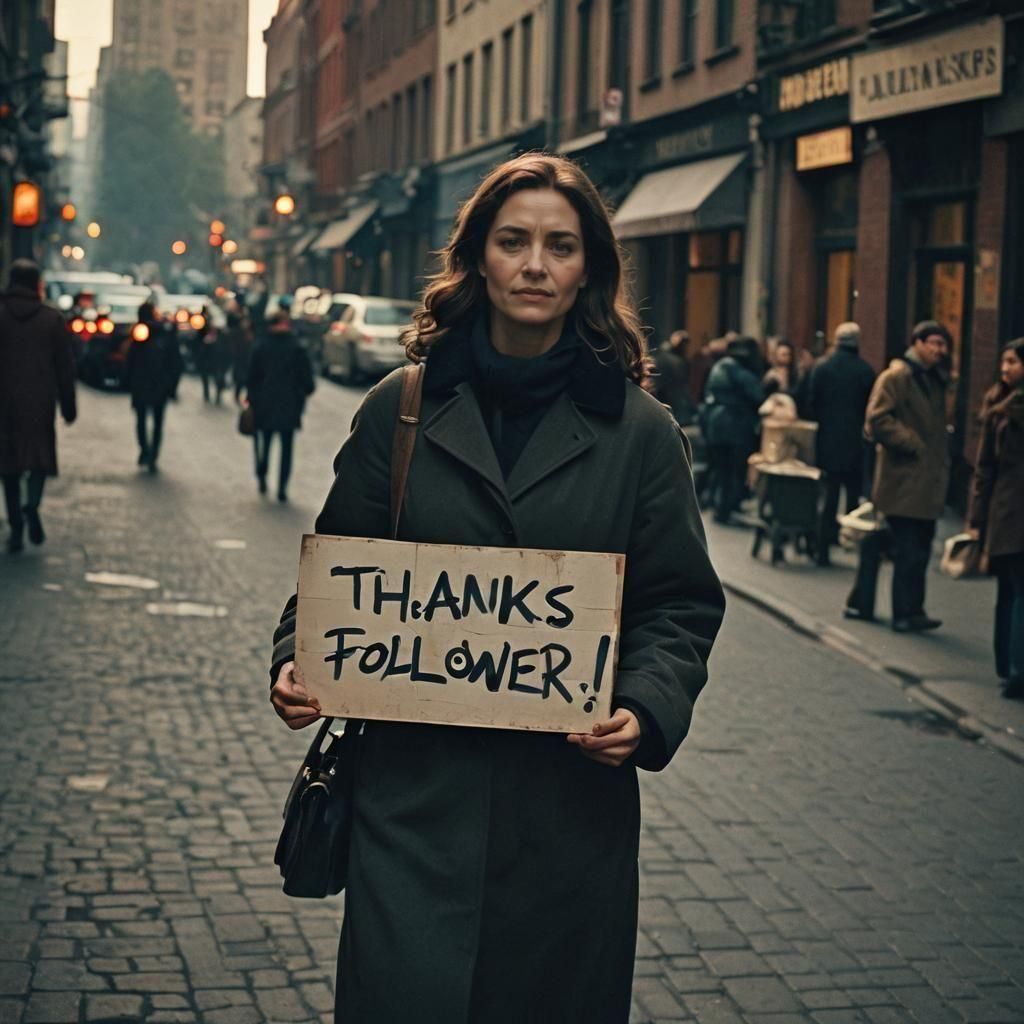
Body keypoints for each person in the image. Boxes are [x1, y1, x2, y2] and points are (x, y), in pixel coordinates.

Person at [267, 154, 725, 1024]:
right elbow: (333, 577)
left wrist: (647, 703)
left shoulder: (642, 435)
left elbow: (679, 602)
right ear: (479, 257)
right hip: (412, 813)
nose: (536, 264)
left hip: (566, 822)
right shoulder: (398, 410)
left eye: (560, 244)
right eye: (514, 241)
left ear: (589, 265)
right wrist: (298, 662)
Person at [846, 320, 950, 631]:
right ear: (917, 343)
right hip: (902, 480)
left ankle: (873, 604)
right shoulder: (898, 376)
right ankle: (906, 613)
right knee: (908, 550)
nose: (939, 350)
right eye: (933, 343)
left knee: (910, 546)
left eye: (943, 345)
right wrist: (912, 443)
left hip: (925, 481)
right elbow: (876, 418)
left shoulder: (933, 379)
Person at [0, 259, 77, 553]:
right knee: (38, 460)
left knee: (9, 467)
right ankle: (31, 504)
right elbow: (65, 367)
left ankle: (16, 524)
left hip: (4, 403)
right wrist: (68, 404)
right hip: (39, 401)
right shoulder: (51, 320)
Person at [968, 338, 1024, 698]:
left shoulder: (1000, 409)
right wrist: (977, 516)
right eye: (1003, 362)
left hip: (1007, 511)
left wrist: (978, 515)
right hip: (1008, 510)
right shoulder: (998, 407)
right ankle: (1014, 668)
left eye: (1012, 362)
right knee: (1014, 590)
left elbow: (985, 468)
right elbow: (984, 467)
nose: (1005, 368)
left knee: (1012, 591)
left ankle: (1010, 666)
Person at [807, 322, 876, 565]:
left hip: (827, 441)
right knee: (853, 496)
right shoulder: (865, 371)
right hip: (855, 443)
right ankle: (850, 543)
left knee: (829, 497)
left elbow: (811, 403)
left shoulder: (822, 368)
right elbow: (871, 409)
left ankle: (823, 549)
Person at [245, 309, 314, 501]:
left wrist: (251, 398)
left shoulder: (260, 346)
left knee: (265, 442)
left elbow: (251, 377)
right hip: (289, 406)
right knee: (286, 449)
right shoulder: (297, 347)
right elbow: (308, 383)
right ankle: (282, 488)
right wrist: (301, 393)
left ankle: (262, 474)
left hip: (264, 404)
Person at [701, 335, 764, 523]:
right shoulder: (738, 370)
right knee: (733, 470)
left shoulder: (720, 366)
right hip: (734, 425)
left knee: (721, 469)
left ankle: (719, 506)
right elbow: (758, 395)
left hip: (715, 423)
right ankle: (726, 508)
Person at [124, 300, 182, 473]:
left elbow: (175, 361)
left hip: (154, 384)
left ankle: (151, 453)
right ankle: (147, 451)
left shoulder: (162, 334)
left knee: (150, 421)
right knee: (148, 421)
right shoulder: (145, 334)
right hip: (148, 383)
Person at [650, 328, 695, 424]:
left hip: (668, 402)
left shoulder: (662, 358)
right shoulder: (675, 360)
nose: (685, 347)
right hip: (672, 401)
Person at [194, 305, 228, 404]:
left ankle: (217, 395)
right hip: (206, 353)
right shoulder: (203, 323)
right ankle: (206, 394)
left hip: (217, 354)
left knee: (218, 375)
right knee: (205, 374)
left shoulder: (221, 327)